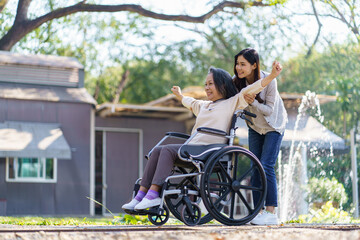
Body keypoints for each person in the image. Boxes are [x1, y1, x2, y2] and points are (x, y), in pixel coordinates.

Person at [122, 62, 283, 211]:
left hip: (209, 150)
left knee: (167, 151)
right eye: (205, 84)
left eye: (211, 84)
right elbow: (190, 102)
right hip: (193, 148)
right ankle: (140, 195)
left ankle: (153, 194)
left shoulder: (232, 102)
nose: (207, 88)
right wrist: (179, 95)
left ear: (222, 85)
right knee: (158, 150)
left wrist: (271, 77)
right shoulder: (204, 105)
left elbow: (251, 89)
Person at [233, 48, 288, 225]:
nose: (238, 68)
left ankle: (271, 213)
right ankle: (258, 211)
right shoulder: (237, 83)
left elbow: (270, 110)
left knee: (266, 165)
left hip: (274, 125)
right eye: (237, 64)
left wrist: (254, 103)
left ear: (254, 65)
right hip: (255, 127)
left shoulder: (269, 81)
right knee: (255, 165)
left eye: (243, 64)